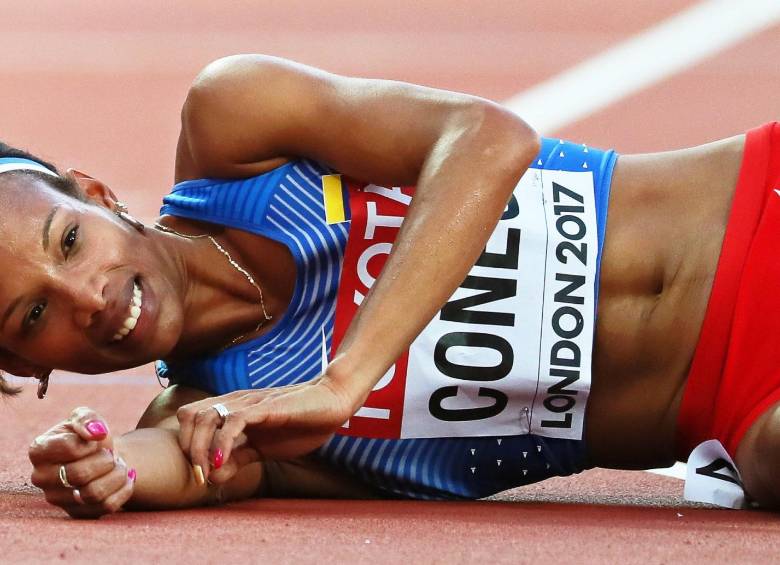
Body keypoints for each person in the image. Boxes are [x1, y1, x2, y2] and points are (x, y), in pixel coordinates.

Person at [5, 55, 778, 518]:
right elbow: (168, 457)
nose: (88, 295)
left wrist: (345, 380)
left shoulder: (237, 131)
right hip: (748, 410)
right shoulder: (227, 418)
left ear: (96, 193)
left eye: (68, 240)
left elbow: (488, 136)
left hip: (752, 196)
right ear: (25, 366)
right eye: (34, 314)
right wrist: (102, 468)